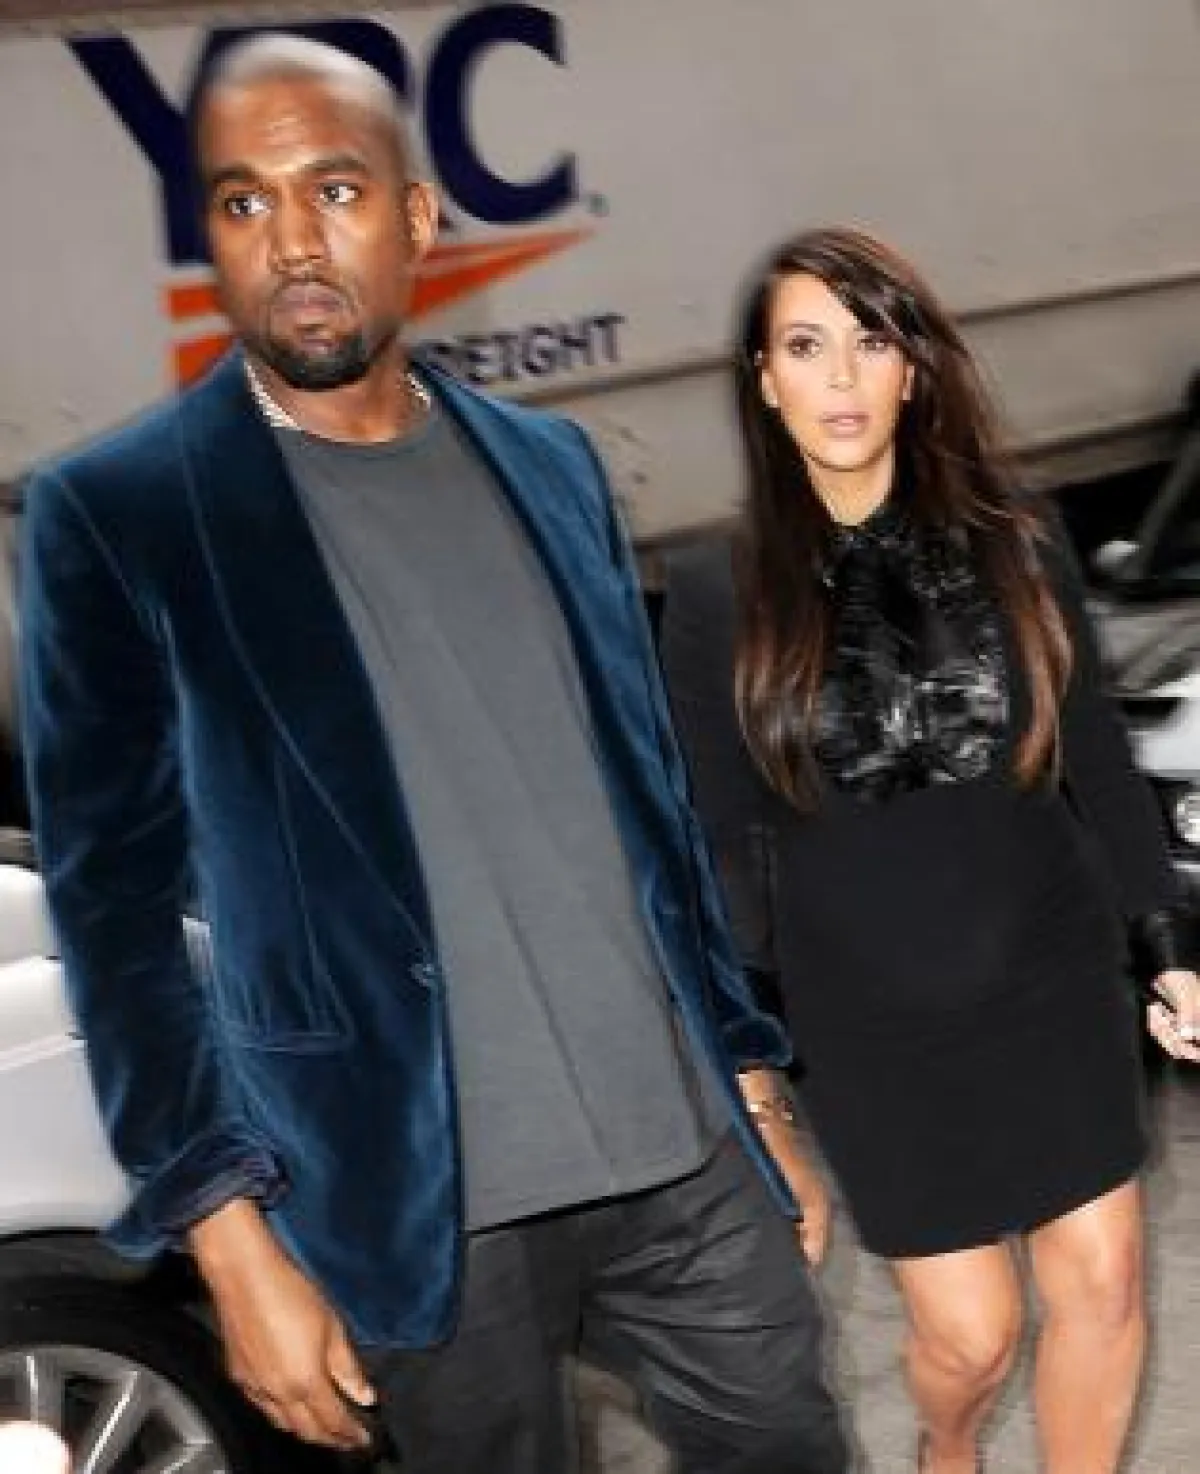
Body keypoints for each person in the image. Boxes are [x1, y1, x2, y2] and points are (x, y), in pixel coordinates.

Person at [17, 36, 848, 1474]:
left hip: (681, 1153)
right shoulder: (121, 514)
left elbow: (651, 803)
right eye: (243, 202)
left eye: (334, 191)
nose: (291, 242)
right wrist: (225, 1233)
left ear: (414, 220)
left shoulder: (549, 465)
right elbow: (117, 920)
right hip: (412, 1197)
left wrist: (751, 1080)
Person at [660, 225, 1200, 1474]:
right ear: (764, 379)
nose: (842, 377)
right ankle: (944, 1448)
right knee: (972, 1335)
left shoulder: (1019, 538)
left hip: (1051, 968)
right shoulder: (716, 591)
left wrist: (1166, 945)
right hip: (869, 1018)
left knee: (1105, 1278)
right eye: (807, 347)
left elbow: (1096, 753)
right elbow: (721, 844)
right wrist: (750, 1070)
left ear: (911, 367)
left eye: (870, 342)